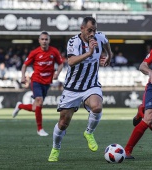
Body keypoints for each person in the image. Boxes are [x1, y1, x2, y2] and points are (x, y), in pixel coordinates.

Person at [48, 16, 113, 161]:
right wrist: (89, 53)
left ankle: (89, 132)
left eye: (94, 30)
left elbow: (107, 43)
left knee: (97, 107)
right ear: (82, 28)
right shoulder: (73, 41)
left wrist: (109, 55)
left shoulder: (100, 37)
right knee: (63, 123)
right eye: (89, 30)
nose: (92, 34)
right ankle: (55, 148)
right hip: (72, 88)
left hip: (91, 84)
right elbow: (70, 61)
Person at [12, 31, 64, 136]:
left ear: (49, 40)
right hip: (36, 80)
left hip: (47, 82)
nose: (44, 41)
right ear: (39, 40)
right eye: (42, 39)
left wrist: (57, 73)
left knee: (35, 108)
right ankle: (40, 129)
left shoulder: (54, 51)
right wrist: (22, 76)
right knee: (39, 102)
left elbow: (61, 63)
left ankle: (20, 106)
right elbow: (24, 65)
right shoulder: (34, 52)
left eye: (46, 39)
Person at [125, 42, 152, 159]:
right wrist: (150, 72)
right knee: (149, 118)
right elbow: (142, 66)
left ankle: (141, 111)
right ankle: (127, 151)